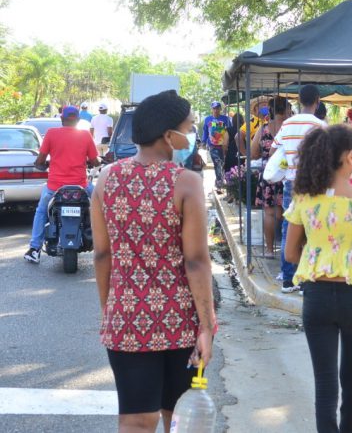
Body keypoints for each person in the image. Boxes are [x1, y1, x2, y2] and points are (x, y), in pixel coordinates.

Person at [90, 90, 216, 433]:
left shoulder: (106, 179)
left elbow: (102, 255)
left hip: (127, 319)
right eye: (189, 127)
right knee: (178, 419)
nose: (191, 135)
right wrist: (207, 326)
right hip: (179, 320)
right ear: (167, 135)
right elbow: (196, 262)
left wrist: (110, 310)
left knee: (134, 421)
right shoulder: (186, 183)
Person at [284, 124, 352, 433]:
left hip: (315, 297)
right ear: (349, 157)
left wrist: (318, 252)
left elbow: (290, 254)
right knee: (351, 376)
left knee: (324, 380)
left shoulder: (304, 198)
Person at [23, 106, 100, 264]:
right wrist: (96, 161)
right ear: (78, 120)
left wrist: (42, 165)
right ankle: (107, 246)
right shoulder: (85, 135)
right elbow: (95, 161)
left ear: (62, 119)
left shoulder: (51, 133)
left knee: (41, 211)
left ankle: (34, 249)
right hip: (81, 187)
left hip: (54, 188)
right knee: (101, 206)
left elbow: (40, 161)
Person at [271, 84, 326, 292]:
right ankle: (306, 281)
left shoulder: (287, 124)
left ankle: (288, 279)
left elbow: (275, 150)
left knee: (289, 230)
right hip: (314, 184)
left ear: (299, 101)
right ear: (317, 101)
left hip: (291, 182)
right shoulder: (320, 125)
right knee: (312, 231)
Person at [251, 96, 289, 255]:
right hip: (288, 173)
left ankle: (269, 249)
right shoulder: (290, 128)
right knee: (287, 212)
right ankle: (287, 248)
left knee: (269, 213)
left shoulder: (263, 129)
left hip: (269, 173)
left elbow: (253, 154)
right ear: (286, 110)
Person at [202, 101, 231, 188]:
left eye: (217, 108)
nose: (216, 110)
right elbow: (205, 132)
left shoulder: (225, 119)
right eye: (214, 108)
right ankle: (220, 182)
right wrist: (203, 141)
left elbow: (230, 131)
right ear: (211, 109)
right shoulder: (207, 119)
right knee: (217, 163)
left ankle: (220, 179)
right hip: (213, 146)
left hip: (224, 146)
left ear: (220, 109)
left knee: (222, 163)